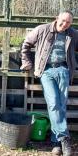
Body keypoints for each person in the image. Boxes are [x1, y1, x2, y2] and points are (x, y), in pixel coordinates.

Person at [20, 10, 78, 156]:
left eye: (68, 22)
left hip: (64, 71)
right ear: (57, 18)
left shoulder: (73, 34)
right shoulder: (42, 30)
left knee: (61, 106)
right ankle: (65, 139)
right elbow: (26, 45)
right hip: (46, 72)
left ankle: (56, 144)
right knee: (53, 103)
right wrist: (26, 62)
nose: (65, 24)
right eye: (63, 20)